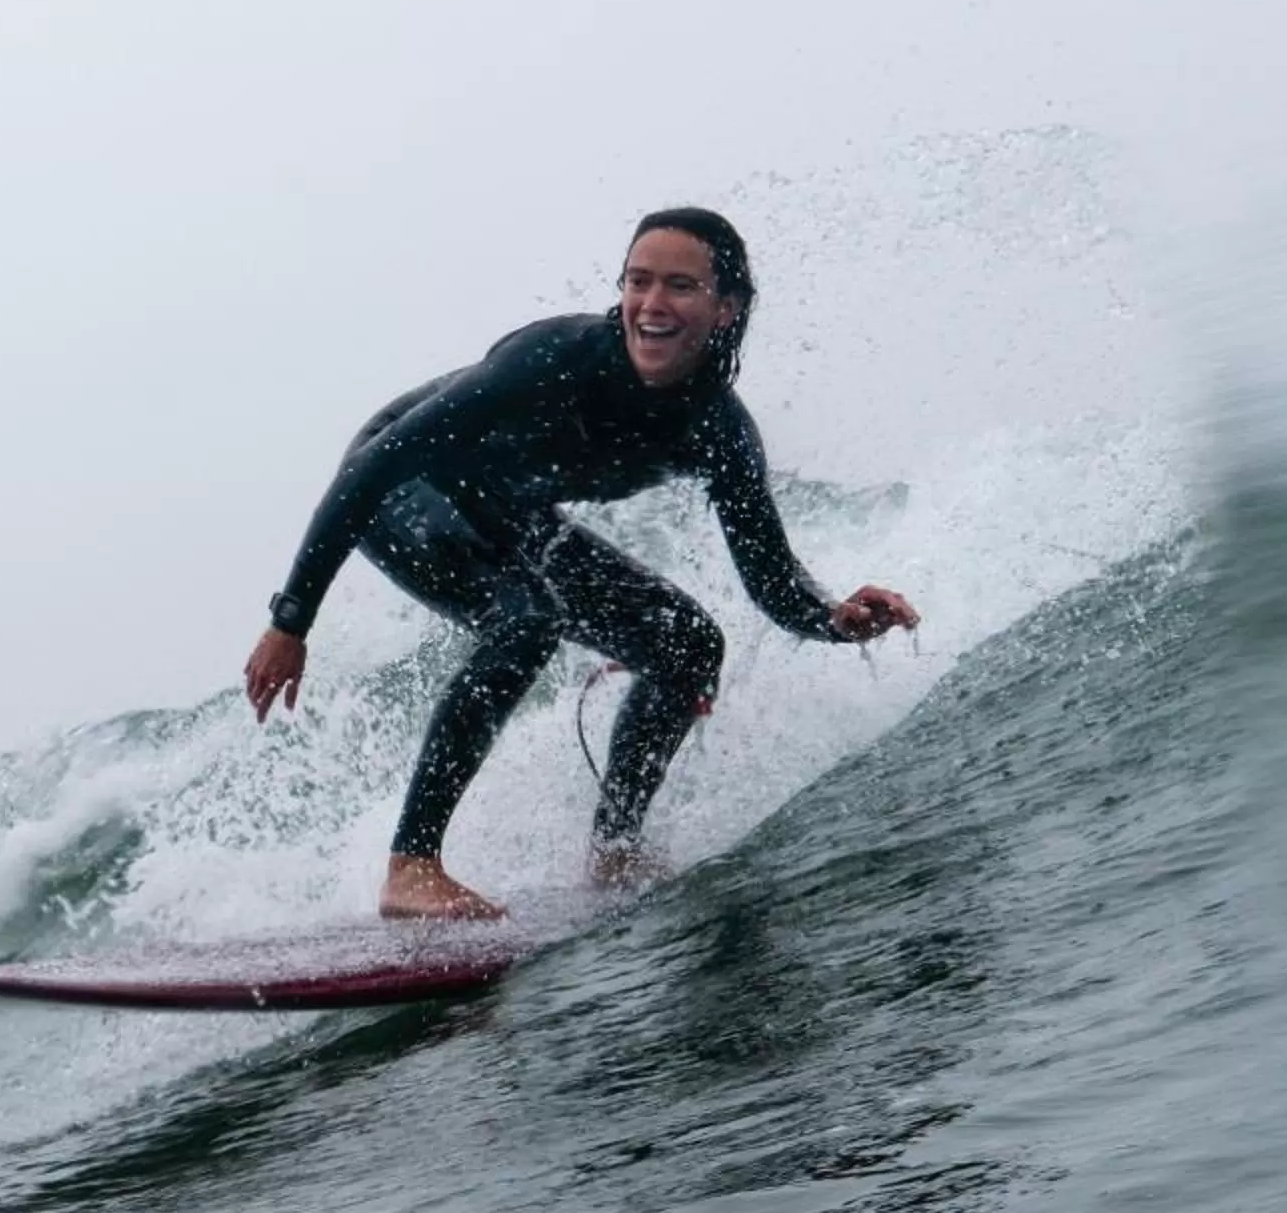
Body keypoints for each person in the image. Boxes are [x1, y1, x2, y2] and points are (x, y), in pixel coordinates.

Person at [242, 207, 917, 920]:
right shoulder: (549, 361)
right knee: (523, 622)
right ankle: (411, 868)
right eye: (638, 281)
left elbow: (771, 581)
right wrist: (291, 621)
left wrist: (837, 619)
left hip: (504, 510)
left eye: (680, 286)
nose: (652, 305)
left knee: (686, 643)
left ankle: (614, 850)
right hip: (404, 487)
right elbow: (371, 470)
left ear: (726, 309)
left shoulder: (719, 431)